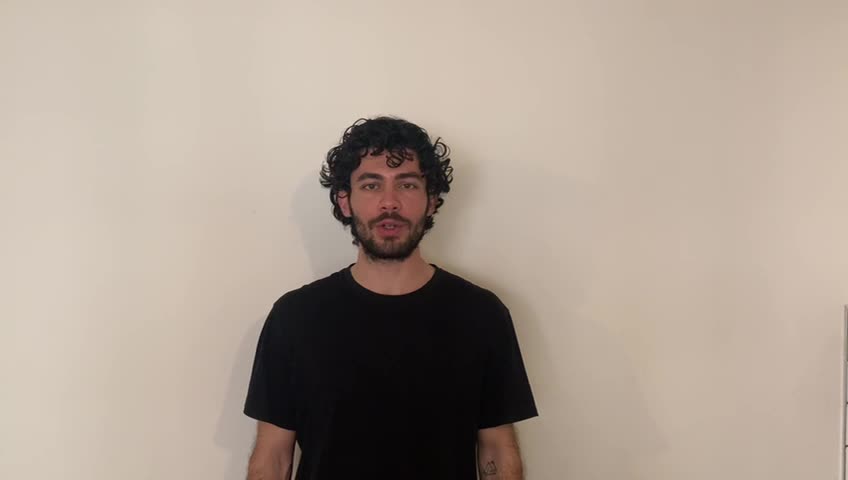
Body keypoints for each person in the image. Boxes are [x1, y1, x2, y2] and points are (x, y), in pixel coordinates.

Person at [243, 116, 538, 480]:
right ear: (345, 201)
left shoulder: (482, 315)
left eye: (407, 184)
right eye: (371, 185)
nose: (389, 202)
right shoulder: (295, 317)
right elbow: (273, 457)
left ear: (431, 201)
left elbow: (497, 447)